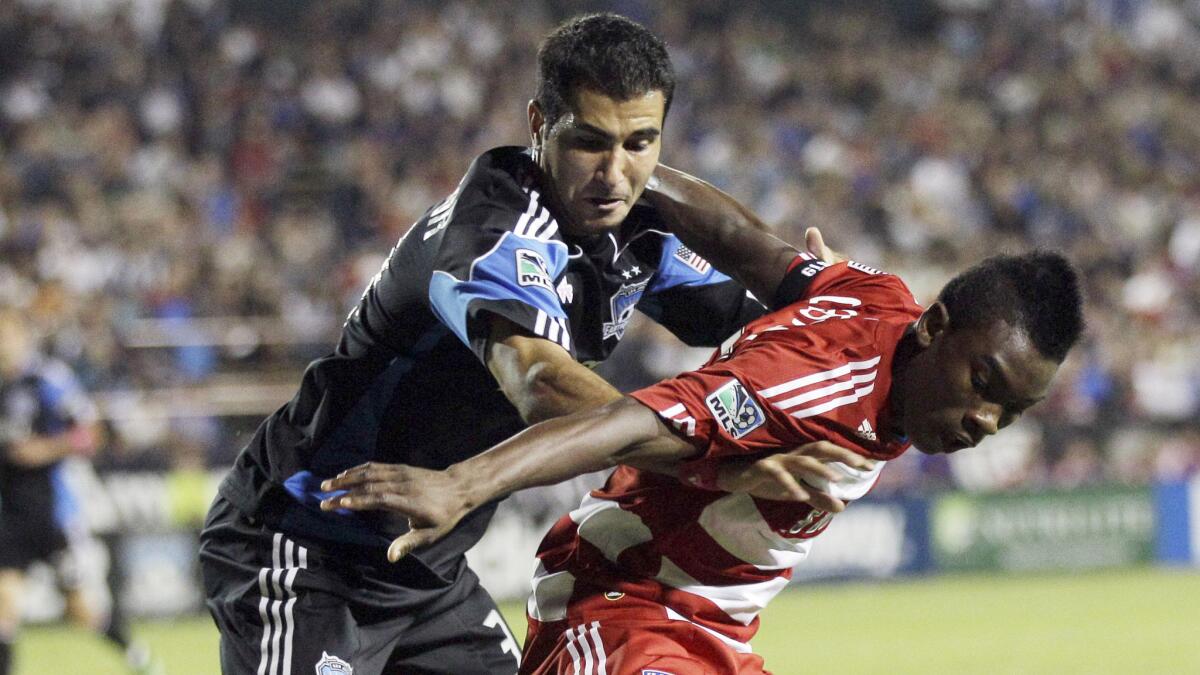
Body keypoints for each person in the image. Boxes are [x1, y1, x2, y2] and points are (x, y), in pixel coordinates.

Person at [199, 12, 854, 675]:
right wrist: (709, 459)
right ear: (541, 124)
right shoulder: (495, 224)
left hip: (428, 569)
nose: (615, 173)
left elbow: (757, 325)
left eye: (639, 143)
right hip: (303, 548)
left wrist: (825, 307)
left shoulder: (641, 231)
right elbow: (538, 381)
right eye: (590, 142)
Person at [319, 237, 1085, 673]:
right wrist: (463, 482)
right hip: (622, 606)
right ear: (938, 329)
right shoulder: (811, 382)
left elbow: (746, 237)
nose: (987, 419)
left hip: (713, 639)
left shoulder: (882, 311)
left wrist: (650, 183)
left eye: (1012, 410)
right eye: (984, 383)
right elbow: (623, 423)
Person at [0, 308, 159, 675]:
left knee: (81, 611)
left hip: (54, 515)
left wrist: (45, 449)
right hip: (11, 517)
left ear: (23, 337)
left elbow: (91, 435)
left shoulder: (48, 380)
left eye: (7, 335)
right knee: (4, 606)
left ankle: (141, 660)